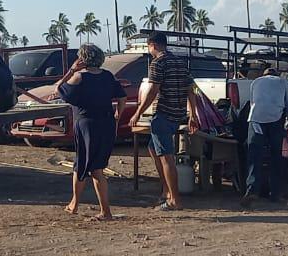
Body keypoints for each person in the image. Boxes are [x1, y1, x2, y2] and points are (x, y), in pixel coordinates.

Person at [130, 32, 202, 211]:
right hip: (177, 114)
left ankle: (174, 199)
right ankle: (166, 190)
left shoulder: (158, 63)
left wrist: (138, 113)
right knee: (154, 149)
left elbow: (153, 90)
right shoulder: (179, 62)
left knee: (166, 157)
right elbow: (190, 90)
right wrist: (192, 115)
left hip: (163, 114)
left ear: (152, 45)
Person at [55, 44, 125, 220]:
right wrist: (118, 114)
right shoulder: (108, 76)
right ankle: (77, 203)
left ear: (82, 59)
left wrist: (71, 71)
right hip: (106, 123)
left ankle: (101, 210)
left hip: (87, 124)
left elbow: (58, 89)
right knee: (90, 165)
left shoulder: (79, 77)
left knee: (89, 166)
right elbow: (122, 97)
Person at [241, 65, 288, 207]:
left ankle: (251, 190)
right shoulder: (284, 83)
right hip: (275, 119)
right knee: (276, 156)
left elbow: (252, 103)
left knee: (254, 156)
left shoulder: (256, 82)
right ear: (277, 74)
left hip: (255, 120)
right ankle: (275, 194)